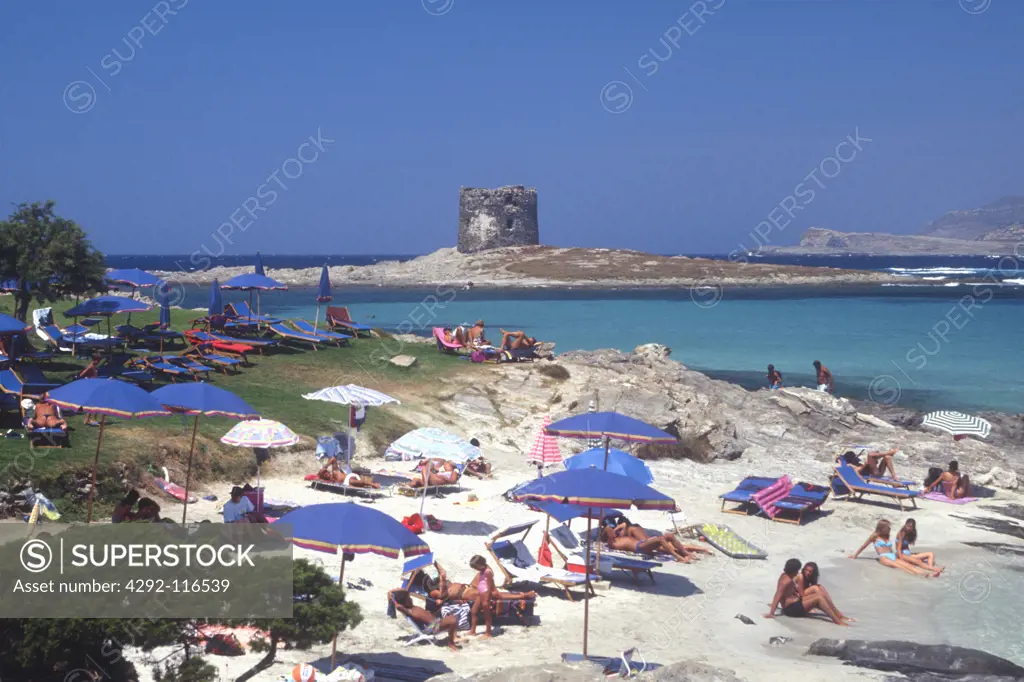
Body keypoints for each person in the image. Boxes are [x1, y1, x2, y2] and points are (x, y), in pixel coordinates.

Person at [764, 558, 848, 625]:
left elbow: (787, 593)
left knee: (821, 594)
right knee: (819, 598)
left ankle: (838, 616)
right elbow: (778, 594)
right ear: (794, 570)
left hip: (796, 604)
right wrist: (771, 613)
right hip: (791, 609)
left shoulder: (787, 577)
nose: (798, 572)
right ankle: (838, 621)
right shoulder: (786, 581)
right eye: (797, 570)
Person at [849, 519, 940, 577]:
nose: (889, 528)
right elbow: (864, 546)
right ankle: (926, 575)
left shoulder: (886, 535)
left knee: (909, 566)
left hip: (892, 555)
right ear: (881, 528)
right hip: (883, 557)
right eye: (887, 527)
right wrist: (855, 555)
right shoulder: (874, 536)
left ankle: (928, 573)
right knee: (900, 567)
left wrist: (897, 557)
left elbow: (891, 549)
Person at [417, 560, 535, 603]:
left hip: (468, 586)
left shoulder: (436, 582)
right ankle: (523, 595)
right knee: (495, 595)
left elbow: (442, 571)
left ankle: (492, 587)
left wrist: (435, 562)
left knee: (483, 572)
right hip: (465, 594)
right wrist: (442, 581)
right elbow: (442, 597)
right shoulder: (432, 592)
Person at [605, 516, 711, 561]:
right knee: (661, 540)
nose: (614, 531)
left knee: (669, 536)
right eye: (611, 531)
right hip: (639, 547)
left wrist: (615, 529)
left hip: (643, 542)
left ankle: (686, 554)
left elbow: (623, 525)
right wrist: (610, 529)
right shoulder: (613, 543)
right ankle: (679, 557)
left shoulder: (621, 536)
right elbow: (609, 529)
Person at [389, 589, 460, 651]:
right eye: (408, 598)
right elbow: (398, 607)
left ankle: (454, 637)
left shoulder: (412, 608)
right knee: (453, 619)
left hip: (435, 622)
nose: (411, 599)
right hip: (433, 627)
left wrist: (392, 594)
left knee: (451, 614)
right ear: (404, 603)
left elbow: (402, 592)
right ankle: (451, 644)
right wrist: (396, 602)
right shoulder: (409, 610)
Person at [468, 555, 495, 639]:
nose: (475, 569)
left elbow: (489, 586)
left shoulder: (487, 571)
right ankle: (473, 631)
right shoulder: (483, 569)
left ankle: (488, 632)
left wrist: (486, 599)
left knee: (486, 614)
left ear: (480, 564)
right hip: (481, 593)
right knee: (473, 611)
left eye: (475, 567)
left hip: (485, 594)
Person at [79, 352, 103, 426]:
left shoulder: (94, 367)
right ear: (94, 360)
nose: (99, 362)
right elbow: (81, 375)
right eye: (98, 361)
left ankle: (90, 420)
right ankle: (89, 420)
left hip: (94, 387)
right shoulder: (91, 366)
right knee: (93, 404)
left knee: (95, 404)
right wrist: (87, 380)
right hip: (91, 387)